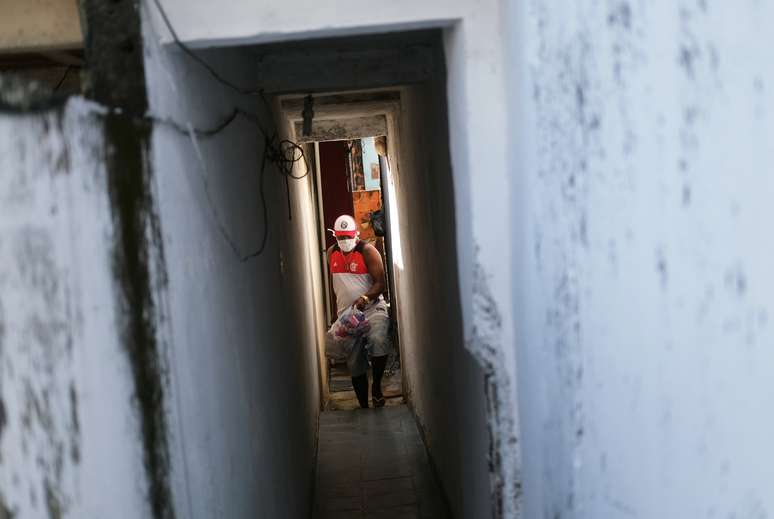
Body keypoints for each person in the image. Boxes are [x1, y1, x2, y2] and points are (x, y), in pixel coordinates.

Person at [325, 214, 392, 408]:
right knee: (354, 364)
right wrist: (337, 314)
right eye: (341, 238)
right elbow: (336, 286)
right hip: (347, 316)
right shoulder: (331, 253)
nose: (345, 241)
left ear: (356, 234)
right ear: (335, 237)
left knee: (379, 339)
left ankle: (377, 386)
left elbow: (381, 283)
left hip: (371, 308)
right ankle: (364, 405)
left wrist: (365, 297)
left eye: (348, 236)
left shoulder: (368, 252)